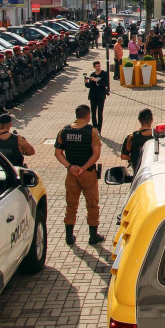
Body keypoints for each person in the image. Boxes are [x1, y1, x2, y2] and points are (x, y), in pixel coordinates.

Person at [55, 104, 104, 245]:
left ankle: (69, 237)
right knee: (92, 205)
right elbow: (96, 155)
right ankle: (93, 236)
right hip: (88, 173)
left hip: (71, 175)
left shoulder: (64, 131)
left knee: (71, 205)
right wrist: (83, 168)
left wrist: (70, 166)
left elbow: (58, 153)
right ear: (88, 116)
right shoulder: (91, 131)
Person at [84, 61, 110, 135]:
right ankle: (94, 127)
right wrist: (86, 82)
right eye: (97, 66)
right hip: (93, 96)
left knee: (100, 113)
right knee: (93, 112)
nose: (98, 67)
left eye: (99, 66)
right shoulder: (92, 74)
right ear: (94, 67)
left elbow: (105, 84)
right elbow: (90, 86)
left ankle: (99, 129)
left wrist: (97, 80)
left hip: (101, 96)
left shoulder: (104, 74)